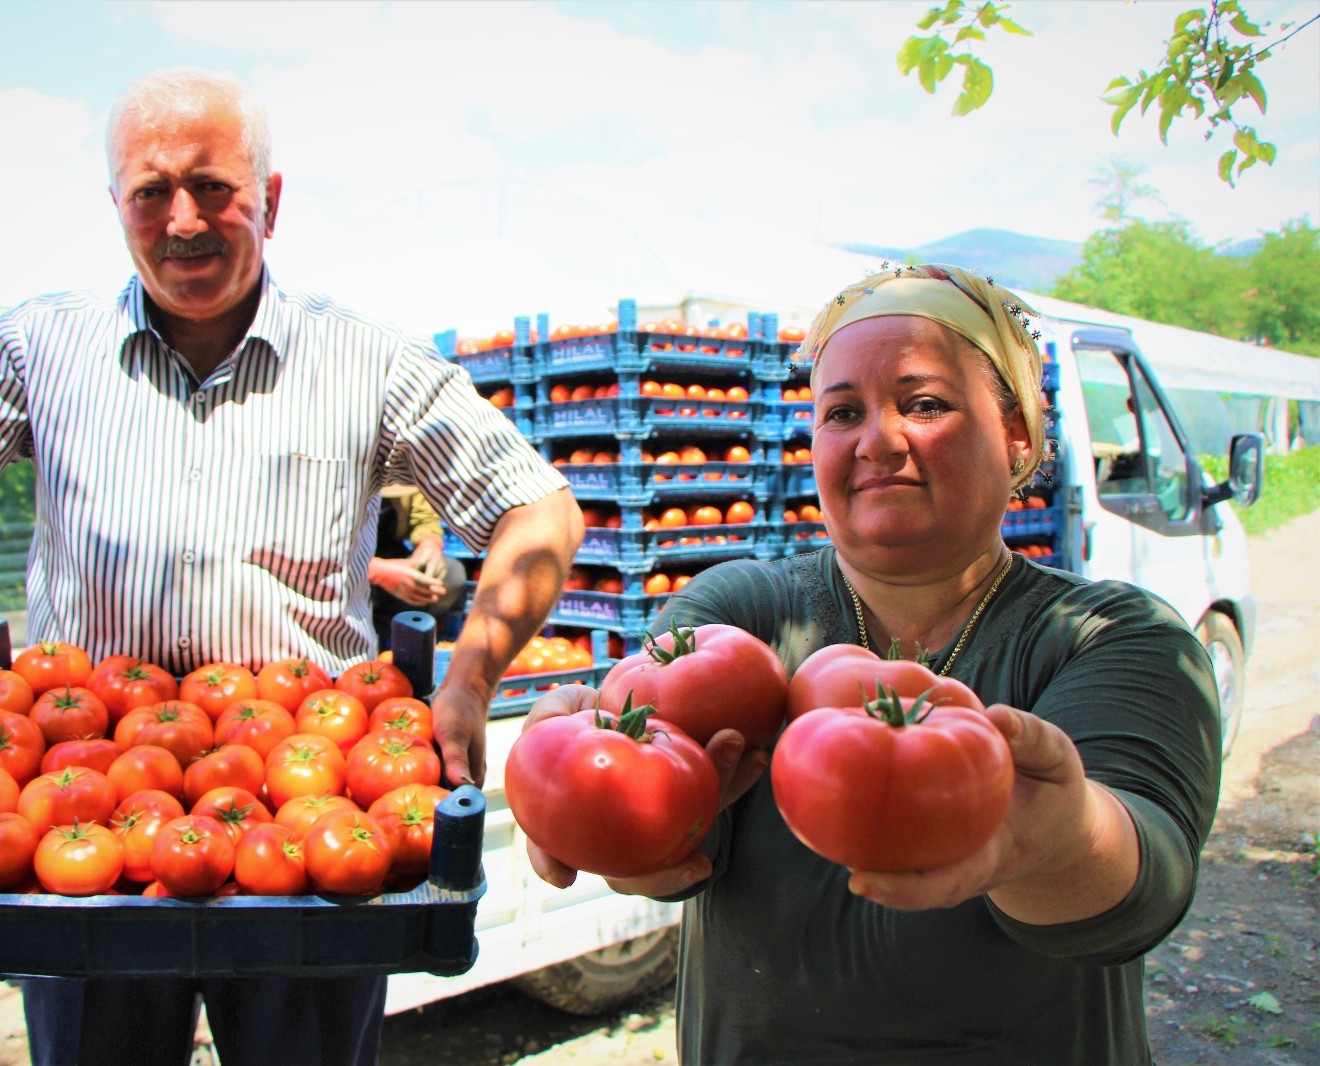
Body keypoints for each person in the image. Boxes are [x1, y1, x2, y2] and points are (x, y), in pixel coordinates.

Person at [0, 66, 582, 1066]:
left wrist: (472, 678)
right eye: (150, 190)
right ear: (116, 206)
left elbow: (539, 507)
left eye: (214, 186)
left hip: (314, 818)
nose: (183, 218)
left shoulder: (363, 359)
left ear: (267, 200)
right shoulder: (40, 348)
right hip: (78, 809)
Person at [522, 263, 1220, 1065]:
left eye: (925, 404)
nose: (877, 441)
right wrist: (599, 806)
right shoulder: (740, 614)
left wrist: (1058, 840)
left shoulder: (1109, 634)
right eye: (842, 412)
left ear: (1018, 432)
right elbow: (670, 846)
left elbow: (1147, 884)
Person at [369, 484, 468, 647]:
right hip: (338, 571)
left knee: (451, 574)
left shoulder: (404, 469)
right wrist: (375, 571)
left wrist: (429, 545)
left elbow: (425, 518)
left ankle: (403, 637)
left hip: (390, 552)